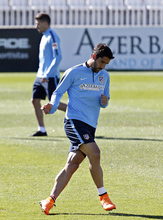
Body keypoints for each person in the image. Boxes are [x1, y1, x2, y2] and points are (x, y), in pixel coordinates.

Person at [39, 43, 116, 215]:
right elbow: (58, 92)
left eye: (106, 64)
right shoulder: (74, 72)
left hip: (90, 125)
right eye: (102, 62)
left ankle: (49, 200)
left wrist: (104, 102)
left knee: (72, 165)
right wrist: (52, 106)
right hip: (74, 122)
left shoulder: (105, 76)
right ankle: (103, 196)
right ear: (94, 57)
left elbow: (105, 100)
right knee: (95, 154)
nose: (103, 67)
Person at [30, 13, 67, 136]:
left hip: (49, 77)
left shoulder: (52, 36)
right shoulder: (44, 36)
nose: (37, 27)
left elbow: (58, 57)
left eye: (38, 24)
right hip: (40, 76)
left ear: (45, 23)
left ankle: (80, 115)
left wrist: (47, 73)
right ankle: (42, 129)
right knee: (35, 100)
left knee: (54, 104)